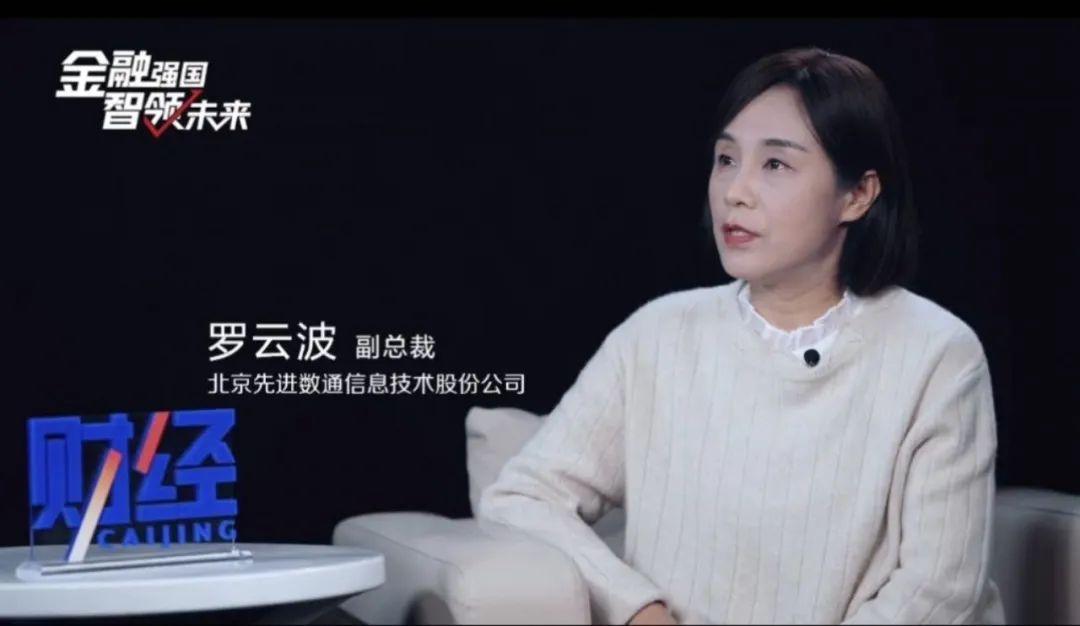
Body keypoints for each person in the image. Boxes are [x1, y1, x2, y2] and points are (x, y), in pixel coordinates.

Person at [477, 46, 1005, 625]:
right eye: (726, 159)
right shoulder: (658, 335)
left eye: (775, 165)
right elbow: (522, 497)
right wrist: (636, 608)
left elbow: (940, 590)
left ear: (857, 195)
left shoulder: (937, 354)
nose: (735, 191)